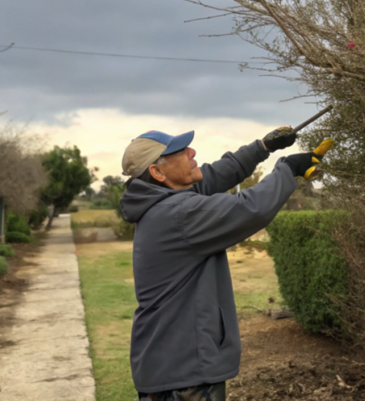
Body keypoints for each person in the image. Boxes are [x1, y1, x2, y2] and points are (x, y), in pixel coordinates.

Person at [119, 127, 321, 401]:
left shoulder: (160, 202)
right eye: (180, 152)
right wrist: (287, 169)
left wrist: (262, 147)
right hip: (185, 374)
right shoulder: (180, 213)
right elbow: (250, 208)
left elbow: (212, 176)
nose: (192, 153)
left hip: (170, 364)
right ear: (157, 172)